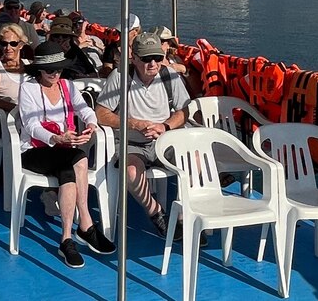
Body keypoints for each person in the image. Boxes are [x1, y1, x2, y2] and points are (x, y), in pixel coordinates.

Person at [18, 42, 115, 268]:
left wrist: (90, 124)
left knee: (67, 172)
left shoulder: (68, 86)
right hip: (34, 151)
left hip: (62, 152)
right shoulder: (28, 89)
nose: (55, 74)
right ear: (39, 70)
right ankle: (86, 224)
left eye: (59, 69)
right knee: (79, 157)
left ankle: (66, 239)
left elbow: (84, 109)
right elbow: (31, 125)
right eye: (50, 70)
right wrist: (56, 138)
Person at [95, 33, 191, 241]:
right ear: (135, 58)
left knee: (196, 162)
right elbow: (101, 114)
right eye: (147, 58)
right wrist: (134, 124)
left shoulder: (170, 76)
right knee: (131, 172)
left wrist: (165, 126)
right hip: (132, 142)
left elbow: (184, 111)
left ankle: (184, 216)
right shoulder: (120, 77)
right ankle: (156, 212)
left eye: (157, 57)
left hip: (164, 140)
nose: (153, 63)